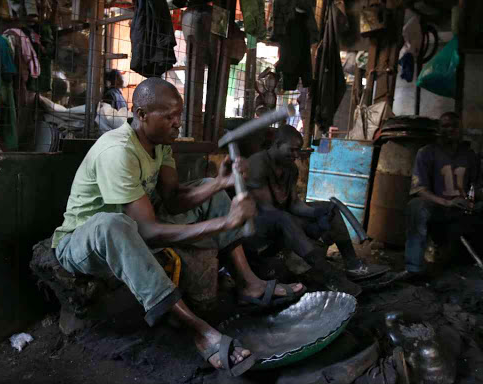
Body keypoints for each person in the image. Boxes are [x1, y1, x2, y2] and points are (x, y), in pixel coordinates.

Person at [51, 78, 304, 377]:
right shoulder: (118, 151)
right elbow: (147, 231)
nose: (177, 124)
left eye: (179, 116)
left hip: (134, 222)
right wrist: (225, 223)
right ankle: (197, 330)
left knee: (209, 185)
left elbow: (173, 200)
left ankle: (249, 283)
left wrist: (221, 183)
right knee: (114, 225)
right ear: (142, 115)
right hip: (83, 241)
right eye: (169, 117)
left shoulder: (159, 145)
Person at [245, 125, 388, 297]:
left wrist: (315, 214)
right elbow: (267, 209)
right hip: (256, 227)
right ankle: (328, 275)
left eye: (298, 150)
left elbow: (294, 204)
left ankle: (353, 265)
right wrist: (310, 228)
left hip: (282, 219)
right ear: (277, 144)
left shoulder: (291, 168)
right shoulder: (257, 163)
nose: (296, 155)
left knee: (328, 208)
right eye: (292, 150)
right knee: (283, 218)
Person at [401, 112, 483, 279]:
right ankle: (413, 268)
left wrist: (473, 201)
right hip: (438, 207)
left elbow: (478, 186)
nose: (450, 130)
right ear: (438, 130)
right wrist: (446, 203)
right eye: (445, 126)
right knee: (416, 206)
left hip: (463, 208)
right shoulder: (426, 153)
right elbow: (419, 189)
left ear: (461, 130)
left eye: (454, 126)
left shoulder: (470, 156)